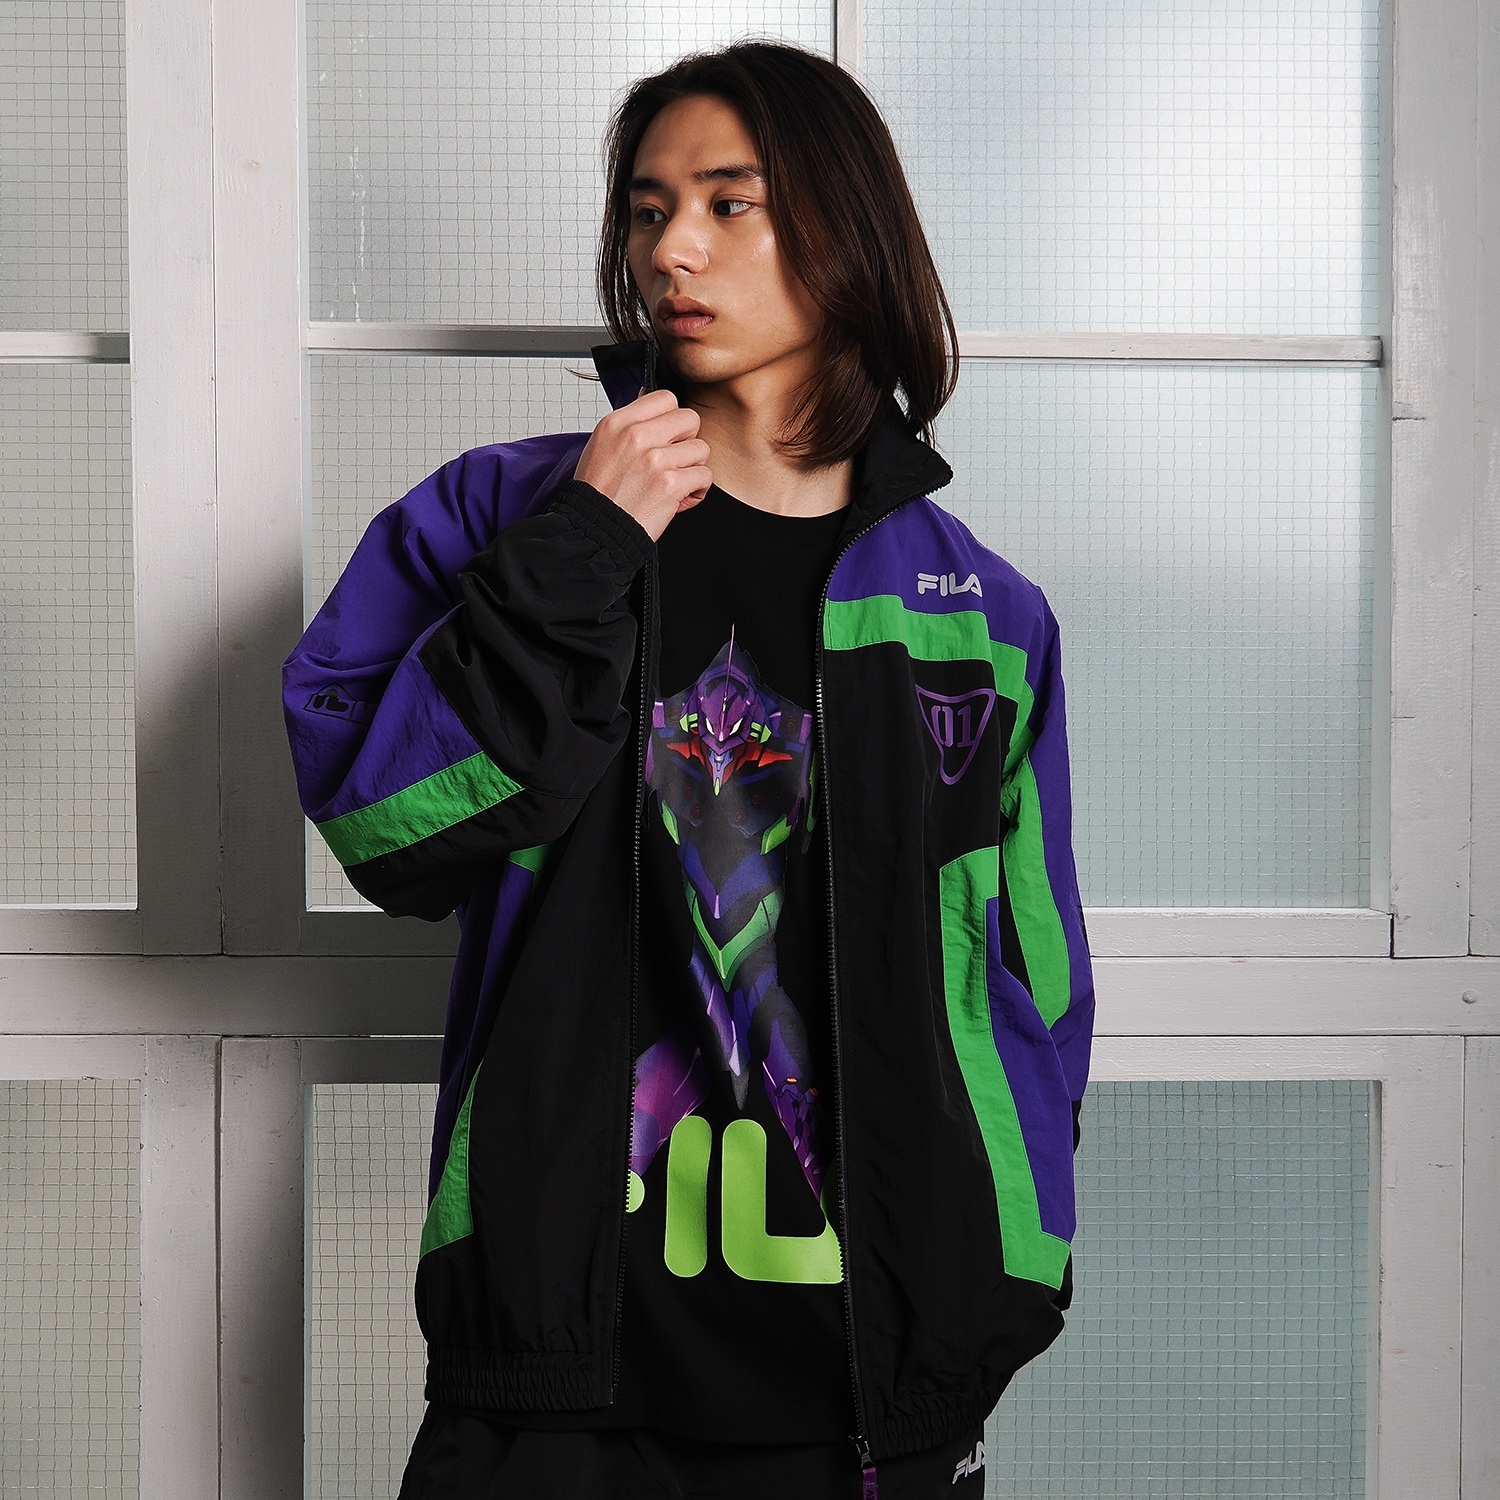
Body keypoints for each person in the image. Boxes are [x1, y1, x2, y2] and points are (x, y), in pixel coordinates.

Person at [283, 39, 1094, 1500]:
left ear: (848, 228)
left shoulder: (983, 614)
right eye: (649, 210)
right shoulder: (505, 517)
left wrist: (1005, 1271)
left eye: (731, 204)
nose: (673, 250)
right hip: (561, 1369)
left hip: (879, 1376)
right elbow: (386, 828)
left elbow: (1032, 986)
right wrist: (584, 550)